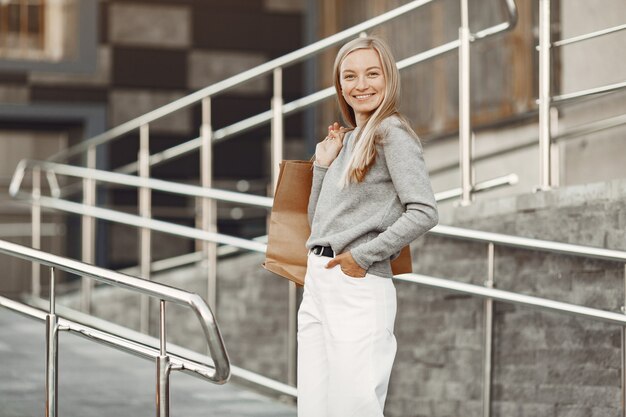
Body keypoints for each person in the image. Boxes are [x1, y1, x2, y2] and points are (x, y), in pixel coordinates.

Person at [297, 35, 439, 417]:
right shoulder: (345, 142)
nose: (361, 85)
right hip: (319, 281)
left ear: (388, 78)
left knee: (352, 407)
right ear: (340, 85)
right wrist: (323, 165)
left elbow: (424, 210)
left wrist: (361, 257)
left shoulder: (392, 133)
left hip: (355, 284)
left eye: (372, 74)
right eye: (350, 76)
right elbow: (319, 223)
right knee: (314, 407)